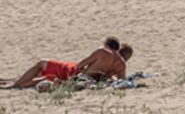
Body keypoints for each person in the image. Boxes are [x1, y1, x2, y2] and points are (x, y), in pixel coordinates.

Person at [1, 37, 130, 89]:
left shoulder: (103, 52)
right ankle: (13, 82)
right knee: (44, 76)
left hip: (75, 73)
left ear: (107, 45)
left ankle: (14, 85)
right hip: (86, 80)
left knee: (41, 64)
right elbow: (120, 81)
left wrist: (86, 70)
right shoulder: (121, 64)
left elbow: (80, 65)